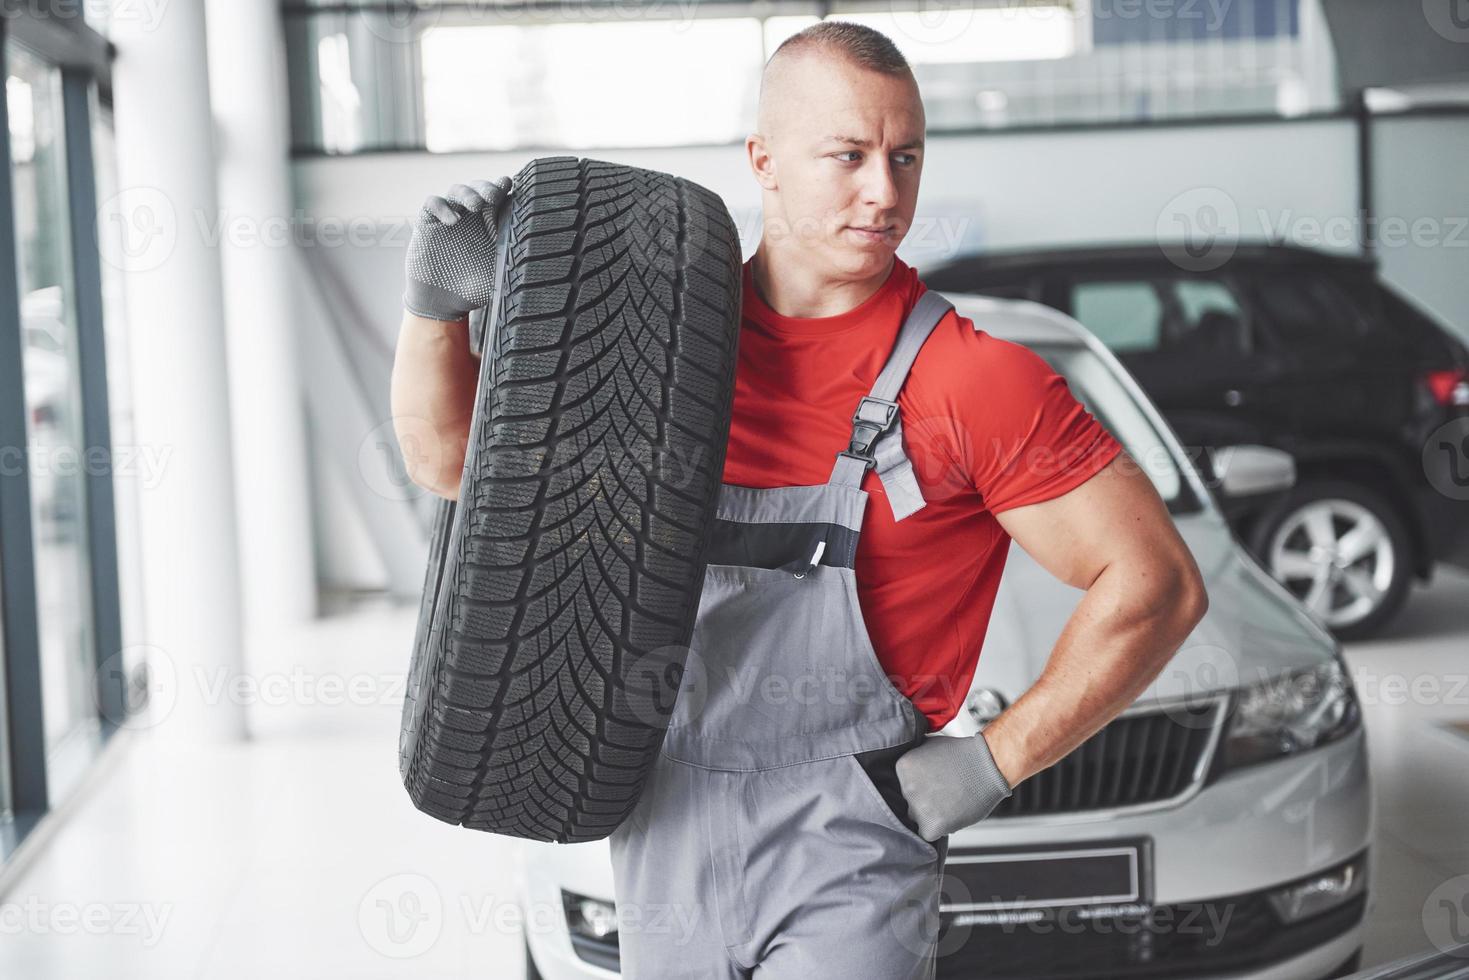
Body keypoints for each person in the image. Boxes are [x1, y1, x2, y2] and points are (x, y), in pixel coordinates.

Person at [391, 21, 1208, 979]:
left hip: (850, 833)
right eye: (848, 155)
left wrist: (993, 761)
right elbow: (453, 468)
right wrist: (435, 309)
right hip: (664, 810)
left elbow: (1155, 584)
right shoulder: (644, 355)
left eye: (905, 157)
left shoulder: (974, 381)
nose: (885, 192)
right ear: (763, 160)